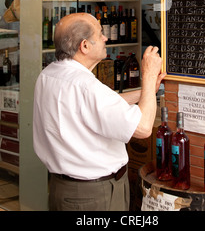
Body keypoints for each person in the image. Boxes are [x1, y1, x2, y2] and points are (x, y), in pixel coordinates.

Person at [33, 11, 165, 211]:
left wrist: (146, 92)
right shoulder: (86, 86)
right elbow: (143, 128)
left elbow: (97, 107)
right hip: (94, 195)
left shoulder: (49, 75)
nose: (105, 38)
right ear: (84, 46)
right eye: (100, 33)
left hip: (63, 188)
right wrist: (147, 75)